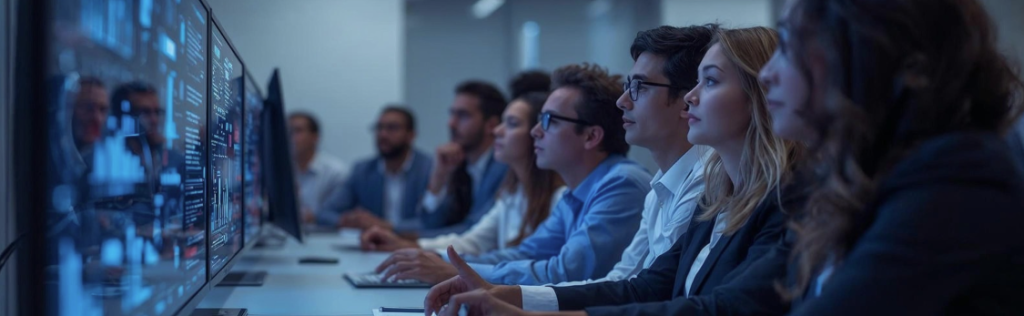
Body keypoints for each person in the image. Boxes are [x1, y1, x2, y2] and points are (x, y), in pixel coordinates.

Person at [423, 27, 803, 316]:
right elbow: (646, 286)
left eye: (711, 81)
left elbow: (715, 308)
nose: (692, 97)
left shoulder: (786, 199)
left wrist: (520, 305)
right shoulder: (718, 195)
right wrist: (509, 295)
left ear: (762, 95)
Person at [760, 0, 1024, 314]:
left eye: (788, 46)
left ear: (864, 53)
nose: (766, 73)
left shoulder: (957, 183)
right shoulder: (861, 176)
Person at [384, 63, 651, 287]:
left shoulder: (621, 183)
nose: (536, 131)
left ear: (591, 136)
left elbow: (566, 272)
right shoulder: (576, 193)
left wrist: (457, 271)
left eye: (549, 121)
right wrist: (440, 262)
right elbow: (526, 253)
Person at [518, 24, 717, 290]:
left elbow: (650, 293)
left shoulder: (705, 182)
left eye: (639, 87)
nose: (623, 101)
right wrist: (508, 297)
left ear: (687, 101)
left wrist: (510, 298)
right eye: (627, 86)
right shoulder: (659, 187)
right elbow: (625, 280)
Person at [361, 93, 567, 282]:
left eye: (511, 124)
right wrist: (410, 248)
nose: (497, 131)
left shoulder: (558, 198)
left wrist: (424, 253)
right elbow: (470, 240)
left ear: (537, 133)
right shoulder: (510, 192)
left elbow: (525, 259)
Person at [419, 81, 511, 237]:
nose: (451, 123)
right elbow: (429, 224)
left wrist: (411, 240)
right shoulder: (457, 165)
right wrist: (438, 179)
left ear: (491, 125)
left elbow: (475, 230)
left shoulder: (504, 168)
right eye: (452, 114)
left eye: (462, 115)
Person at [317, 106, 433, 230]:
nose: (383, 134)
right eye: (379, 128)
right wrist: (348, 220)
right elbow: (325, 213)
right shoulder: (363, 170)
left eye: (392, 128)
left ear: (411, 135)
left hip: (414, 245)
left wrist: (387, 226)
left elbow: (433, 222)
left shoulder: (429, 169)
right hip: (373, 245)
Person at [288, 112, 350, 224]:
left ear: (315, 137)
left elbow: (338, 213)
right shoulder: (279, 171)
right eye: (287, 131)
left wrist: (313, 216)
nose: (290, 137)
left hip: (324, 234)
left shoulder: (335, 172)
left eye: (297, 131)